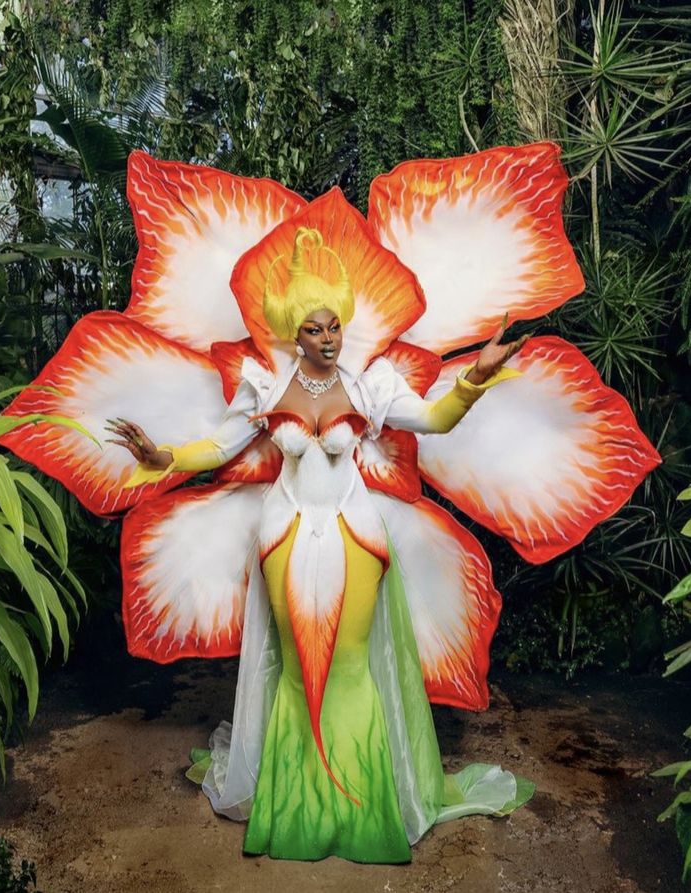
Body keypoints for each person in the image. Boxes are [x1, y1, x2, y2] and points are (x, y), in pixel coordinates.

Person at [105, 226, 532, 863]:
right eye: (313, 329)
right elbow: (218, 449)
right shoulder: (264, 387)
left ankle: (361, 810)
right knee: (297, 675)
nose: (327, 338)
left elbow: (436, 420)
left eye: (334, 326)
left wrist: (475, 377)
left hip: (354, 538)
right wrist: (160, 456)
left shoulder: (371, 387)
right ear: (292, 332)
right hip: (282, 538)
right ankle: (294, 808)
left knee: (351, 665)